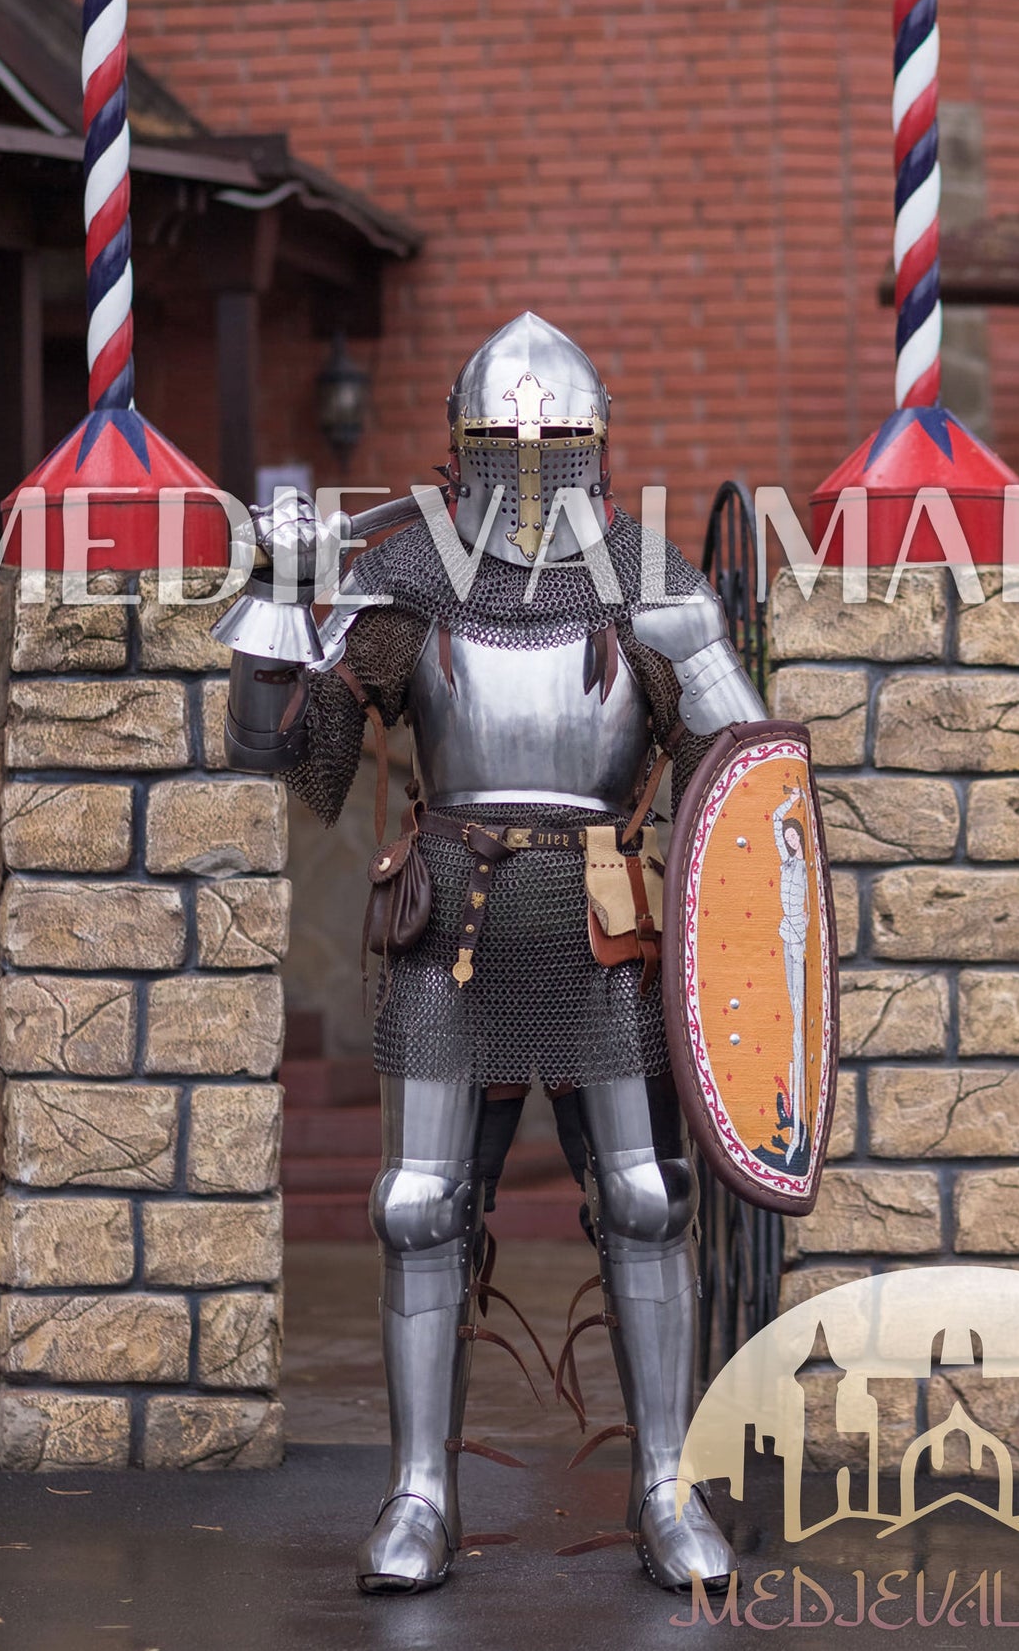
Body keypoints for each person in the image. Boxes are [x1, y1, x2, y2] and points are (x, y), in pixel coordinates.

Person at [218, 312, 766, 1596]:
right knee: (418, 1207)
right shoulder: (409, 579)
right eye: (503, 444)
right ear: (460, 447)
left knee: (646, 1199)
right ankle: (418, 1494)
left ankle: (664, 1487)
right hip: (449, 922)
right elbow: (284, 760)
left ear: (593, 446)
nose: (527, 467)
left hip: (599, 923)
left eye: (552, 442)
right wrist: (279, 604)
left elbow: (744, 783)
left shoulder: (648, 579)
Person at [770, 791, 811, 1178]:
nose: (789, 839)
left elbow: (810, 908)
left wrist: (803, 935)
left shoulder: (804, 868)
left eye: (794, 835)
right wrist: (791, 800)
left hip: (798, 938)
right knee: (791, 1015)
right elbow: (773, 821)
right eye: (788, 836)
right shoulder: (785, 862)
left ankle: (800, 1128)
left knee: (800, 1021)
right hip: (786, 933)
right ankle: (793, 1128)